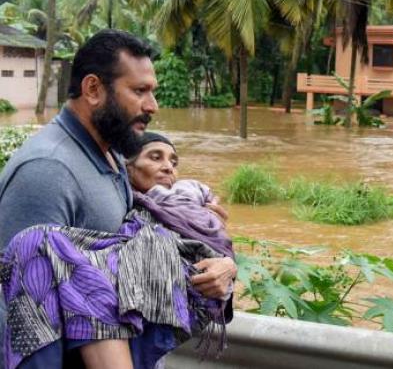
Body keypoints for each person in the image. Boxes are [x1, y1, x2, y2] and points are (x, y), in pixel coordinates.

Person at [0, 30, 236, 368]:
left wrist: (217, 260)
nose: (152, 106)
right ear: (93, 89)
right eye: (139, 91)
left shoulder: (109, 155)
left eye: (151, 91)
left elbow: (130, 258)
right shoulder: (48, 171)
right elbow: (17, 311)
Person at [1, 132, 234, 369]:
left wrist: (227, 264)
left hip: (161, 311)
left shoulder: (189, 207)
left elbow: (215, 252)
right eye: (155, 157)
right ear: (127, 168)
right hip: (107, 329)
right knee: (37, 241)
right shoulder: (115, 210)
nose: (168, 168)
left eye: (174, 162)